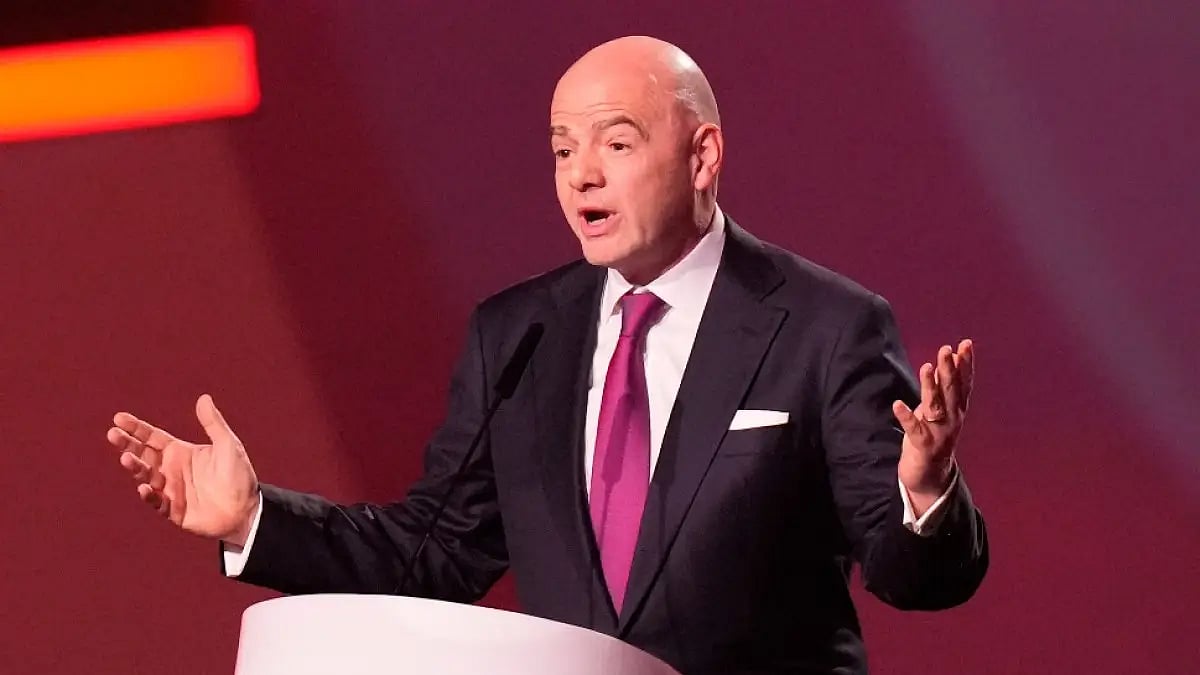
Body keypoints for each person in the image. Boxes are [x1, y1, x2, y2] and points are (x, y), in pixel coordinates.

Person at [108, 36, 987, 674]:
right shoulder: (520, 334)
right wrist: (252, 518)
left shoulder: (823, 325)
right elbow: (434, 554)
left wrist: (923, 491)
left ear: (703, 155)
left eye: (614, 142)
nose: (580, 175)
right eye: (562, 150)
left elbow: (915, 576)